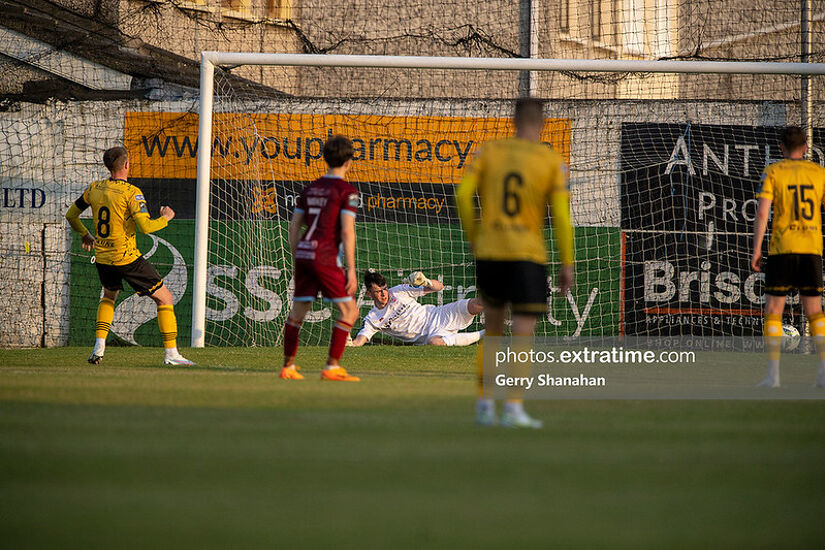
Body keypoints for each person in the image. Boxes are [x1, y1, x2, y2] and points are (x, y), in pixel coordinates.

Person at [456, 97, 574, 428]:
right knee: (522, 332)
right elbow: (562, 217)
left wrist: (474, 235)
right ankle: (513, 408)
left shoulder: (489, 152)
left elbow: (463, 195)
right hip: (528, 255)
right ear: (543, 123)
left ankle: (483, 405)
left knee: (492, 330)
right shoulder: (551, 160)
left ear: (513, 120)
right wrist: (567, 261)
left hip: (491, 251)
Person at [65, 146, 194, 366]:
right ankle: (172, 355)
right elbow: (145, 227)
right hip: (126, 258)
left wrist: (85, 234)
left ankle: (99, 348)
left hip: (103, 258)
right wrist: (165, 218)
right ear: (126, 165)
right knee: (165, 298)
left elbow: (71, 215)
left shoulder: (94, 189)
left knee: (108, 297)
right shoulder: (131, 192)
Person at [280, 135, 361, 382]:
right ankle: (332, 366)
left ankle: (288, 367)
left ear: (325, 159)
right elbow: (347, 230)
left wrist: (297, 259)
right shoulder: (347, 191)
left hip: (304, 253)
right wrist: (351, 268)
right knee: (350, 311)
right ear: (349, 161)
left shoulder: (310, 189)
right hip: (325, 255)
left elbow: (294, 228)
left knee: (297, 313)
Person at [751, 126, 825, 388]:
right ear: (806, 148)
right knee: (814, 311)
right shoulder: (818, 173)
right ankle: (823, 372)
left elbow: (762, 214)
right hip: (811, 249)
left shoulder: (773, 172)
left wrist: (757, 250)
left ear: (781, 148)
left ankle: (773, 375)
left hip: (782, 248)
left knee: (773, 310)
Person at [349, 270, 484, 347]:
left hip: (439, 315)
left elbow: (439, 286)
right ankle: (485, 334)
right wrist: (351, 344)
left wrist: (427, 282)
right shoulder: (373, 319)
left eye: (384, 289)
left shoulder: (399, 291)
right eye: (378, 291)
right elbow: (360, 339)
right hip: (430, 336)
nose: (384, 294)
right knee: (435, 343)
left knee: (476, 304)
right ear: (368, 294)